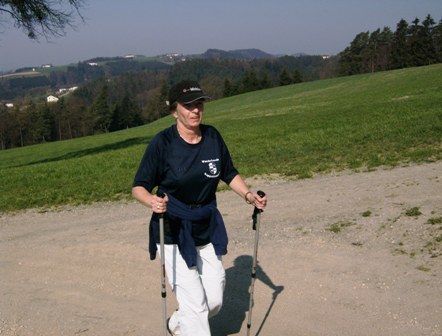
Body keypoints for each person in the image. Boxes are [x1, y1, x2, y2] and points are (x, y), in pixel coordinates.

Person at [132, 80, 267, 336]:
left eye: (199, 104)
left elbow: (228, 173)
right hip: (172, 229)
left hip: (204, 226)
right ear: (174, 111)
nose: (195, 110)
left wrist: (249, 195)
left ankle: (177, 324)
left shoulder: (212, 137)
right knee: (196, 306)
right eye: (188, 105)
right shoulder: (162, 144)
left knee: (213, 301)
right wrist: (152, 201)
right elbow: (138, 186)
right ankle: (190, 324)